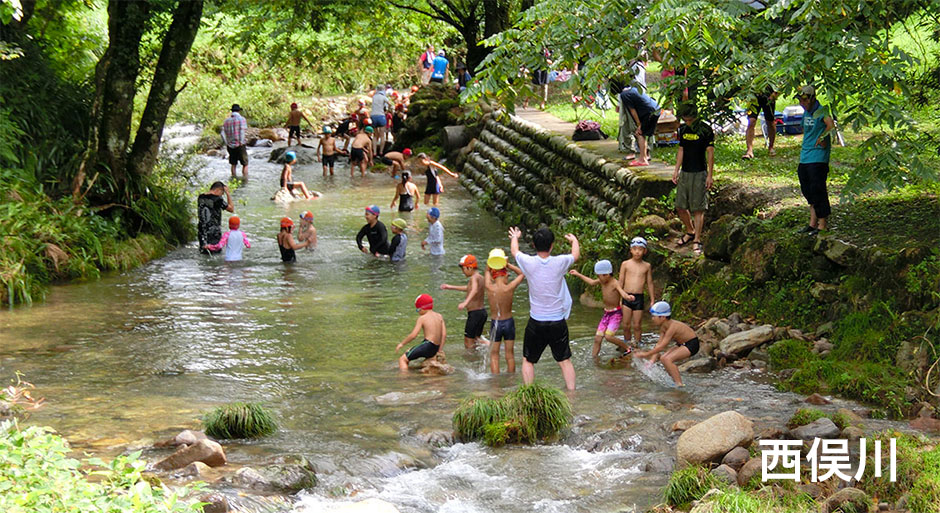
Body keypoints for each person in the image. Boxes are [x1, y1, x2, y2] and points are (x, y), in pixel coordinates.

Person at [509, 226, 579, 391]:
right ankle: (571, 394)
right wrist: (574, 240)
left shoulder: (528, 262)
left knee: (528, 360)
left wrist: (515, 236)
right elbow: (575, 255)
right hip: (557, 322)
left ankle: (529, 393)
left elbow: (514, 251)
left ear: (533, 244)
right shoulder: (560, 262)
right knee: (564, 360)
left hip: (537, 321)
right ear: (552, 245)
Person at [672, 103, 715, 255]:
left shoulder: (705, 130)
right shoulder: (683, 130)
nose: (688, 122)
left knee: (698, 208)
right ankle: (690, 231)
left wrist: (709, 175)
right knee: (680, 206)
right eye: (686, 120)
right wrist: (676, 170)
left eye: (690, 120)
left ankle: (697, 238)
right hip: (685, 172)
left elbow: (710, 153)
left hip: (700, 172)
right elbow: (681, 150)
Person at [569, 260, 634, 358]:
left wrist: (628, 297)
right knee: (597, 338)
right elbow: (591, 282)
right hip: (606, 314)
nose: (599, 278)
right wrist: (578, 274)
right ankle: (594, 359)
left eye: (600, 276)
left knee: (608, 336)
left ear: (607, 274)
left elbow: (622, 293)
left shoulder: (615, 283)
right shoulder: (601, 281)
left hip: (616, 314)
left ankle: (627, 348)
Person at [795, 85, 834, 235]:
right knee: (807, 188)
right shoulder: (806, 113)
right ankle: (812, 223)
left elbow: (830, 126)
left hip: (818, 157)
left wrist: (822, 137)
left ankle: (822, 224)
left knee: (818, 188)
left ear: (812, 98)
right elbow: (805, 129)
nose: (802, 103)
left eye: (804, 99)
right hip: (805, 156)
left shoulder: (822, 111)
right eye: (800, 100)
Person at [634, 301, 699, 387]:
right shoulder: (663, 327)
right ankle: (674, 380)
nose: (652, 319)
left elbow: (662, 347)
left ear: (663, 317)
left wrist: (646, 354)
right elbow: (659, 344)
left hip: (692, 344)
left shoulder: (672, 327)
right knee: (663, 358)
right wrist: (651, 361)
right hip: (682, 344)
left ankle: (679, 384)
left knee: (668, 359)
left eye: (654, 316)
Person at [483, 248, 525, 373]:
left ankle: (495, 385)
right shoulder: (509, 288)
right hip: (508, 323)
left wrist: (489, 264)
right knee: (509, 355)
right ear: (506, 275)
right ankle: (510, 381)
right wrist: (508, 264)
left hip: (496, 323)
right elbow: (522, 273)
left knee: (494, 355)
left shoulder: (489, 287)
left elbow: (486, 272)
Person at [441, 254, 487, 349]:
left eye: (463, 269)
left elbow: (473, 290)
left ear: (469, 268)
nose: (463, 272)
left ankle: (473, 360)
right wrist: (451, 287)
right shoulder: (480, 277)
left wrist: (465, 303)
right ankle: (490, 348)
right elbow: (469, 288)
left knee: (468, 343)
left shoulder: (473, 278)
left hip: (474, 314)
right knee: (476, 340)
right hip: (481, 313)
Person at [618, 237, 656, 348]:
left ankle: (638, 344)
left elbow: (649, 283)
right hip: (626, 296)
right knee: (625, 324)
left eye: (640, 249)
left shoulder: (646, 266)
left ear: (645, 251)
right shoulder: (625, 264)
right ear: (631, 250)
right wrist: (620, 298)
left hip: (639, 298)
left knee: (637, 325)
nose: (637, 251)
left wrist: (652, 300)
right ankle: (627, 343)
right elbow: (620, 282)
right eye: (634, 249)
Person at [396, 293, 446, 371]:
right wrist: (439, 350)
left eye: (417, 310)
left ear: (422, 308)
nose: (418, 312)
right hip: (435, 347)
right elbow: (443, 334)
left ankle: (404, 378)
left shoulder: (422, 318)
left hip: (427, 345)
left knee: (402, 359)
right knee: (411, 351)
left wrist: (402, 344)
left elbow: (413, 335)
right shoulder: (439, 316)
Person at [620, 86, 660, 166]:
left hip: (649, 112)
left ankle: (643, 159)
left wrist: (639, 125)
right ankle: (644, 156)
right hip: (656, 108)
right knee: (643, 133)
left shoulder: (624, 95)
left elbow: (632, 111)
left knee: (640, 133)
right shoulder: (633, 89)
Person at [197, 181, 235, 254]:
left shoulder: (200, 197)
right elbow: (231, 209)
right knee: (215, 253)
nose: (221, 195)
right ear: (217, 190)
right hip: (213, 231)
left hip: (202, 230)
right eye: (222, 193)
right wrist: (228, 194)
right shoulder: (217, 199)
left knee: (204, 251)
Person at [742, 89, 778, 159]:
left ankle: (771, 147)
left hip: (768, 94)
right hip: (754, 95)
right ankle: (749, 151)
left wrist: (775, 93)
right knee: (751, 121)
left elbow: (778, 81)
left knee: (770, 122)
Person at [222, 104, 249, 179]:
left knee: (233, 164)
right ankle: (245, 179)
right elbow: (242, 131)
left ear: (232, 111)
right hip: (240, 144)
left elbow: (222, 133)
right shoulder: (242, 119)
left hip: (230, 145)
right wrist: (241, 141)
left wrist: (226, 142)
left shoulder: (226, 121)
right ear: (239, 111)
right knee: (245, 164)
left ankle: (233, 179)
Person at [371, 85, 390, 155]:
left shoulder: (374, 97)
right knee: (382, 135)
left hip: (373, 116)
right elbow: (390, 104)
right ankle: (381, 151)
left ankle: (375, 152)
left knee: (375, 135)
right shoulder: (383, 97)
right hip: (381, 115)